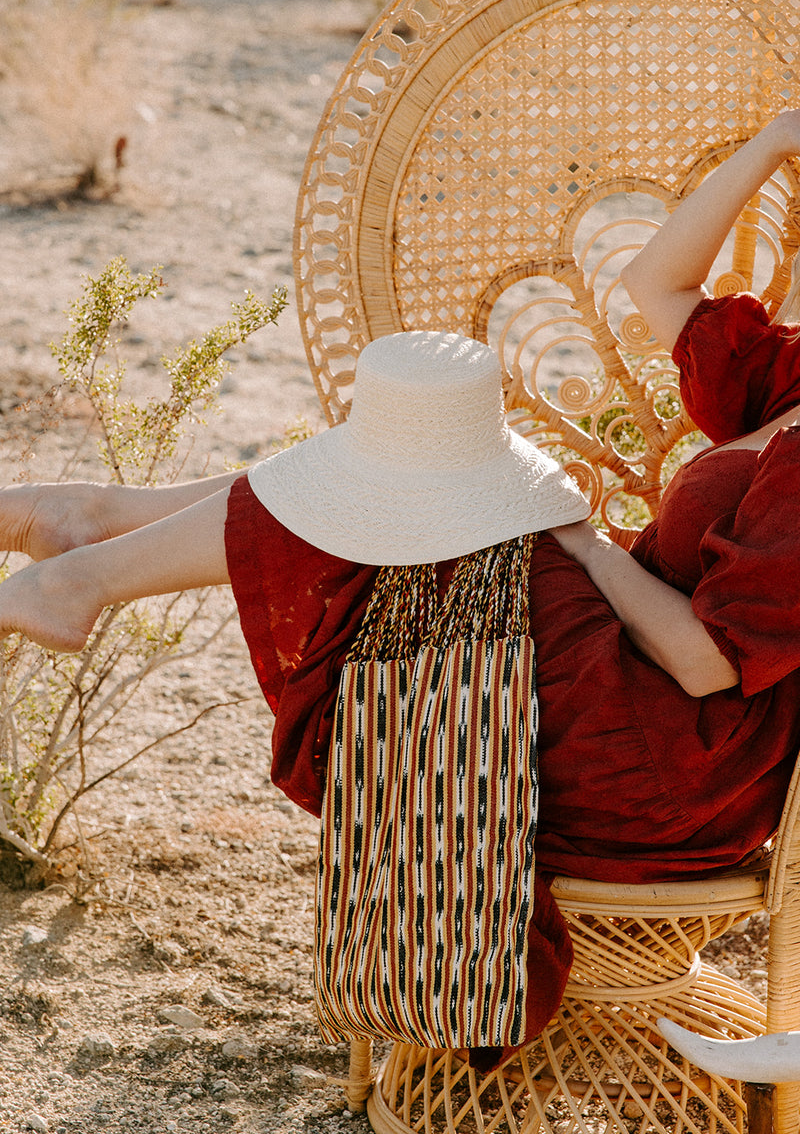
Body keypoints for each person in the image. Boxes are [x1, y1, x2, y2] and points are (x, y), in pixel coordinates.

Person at [3, 110, 800, 1037]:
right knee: (419, 448)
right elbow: (654, 282)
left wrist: (581, 546)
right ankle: (94, 538)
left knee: (431, 468)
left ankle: (89, 546)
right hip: (626, 662)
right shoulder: (788, 380)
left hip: (667, 754)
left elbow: (709, 663)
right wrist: (775, 139)